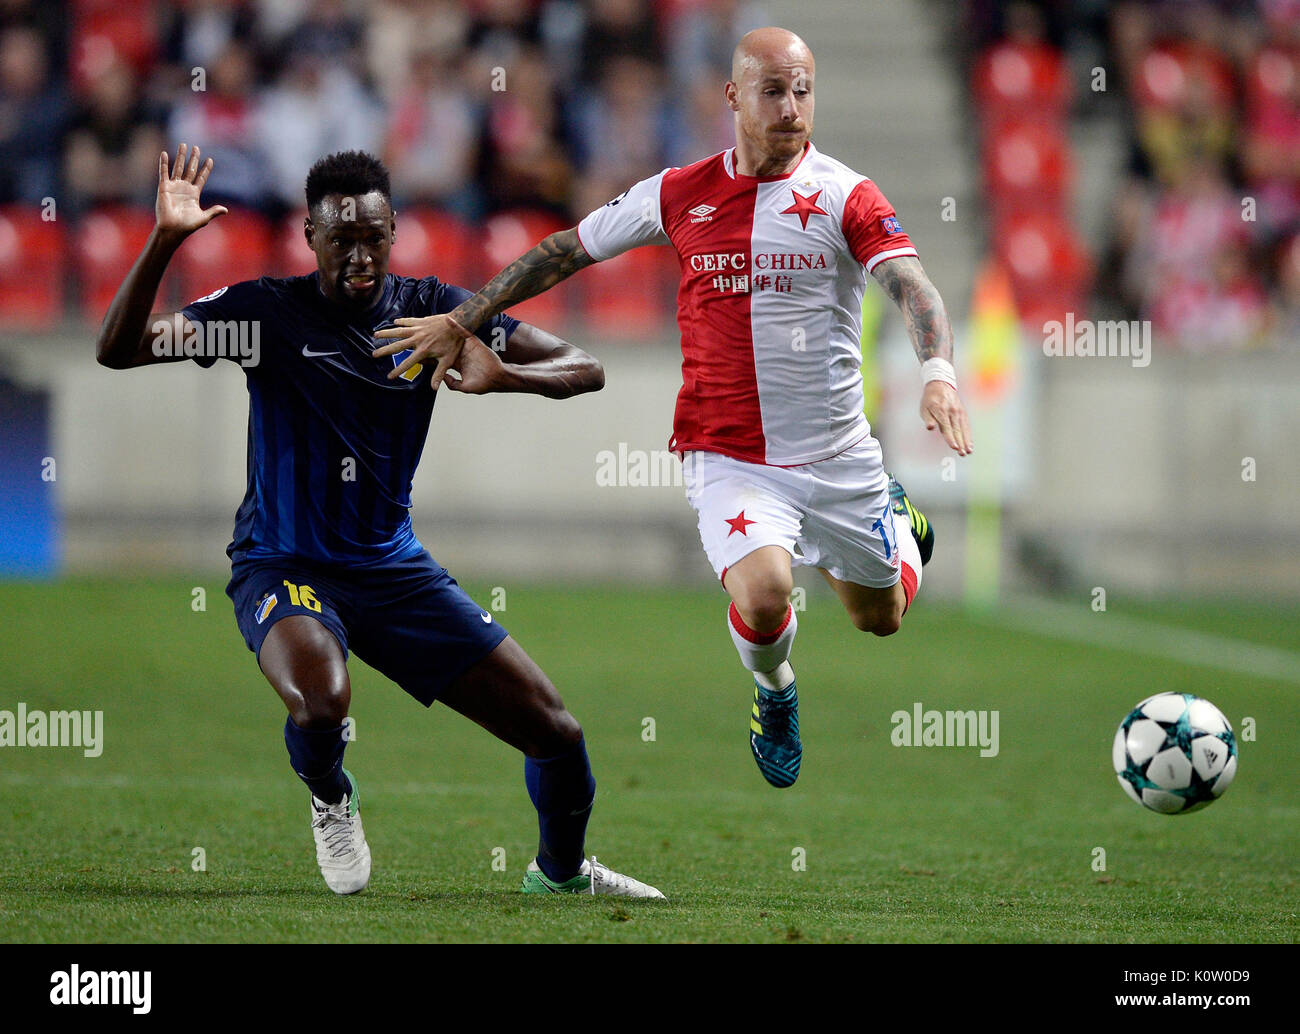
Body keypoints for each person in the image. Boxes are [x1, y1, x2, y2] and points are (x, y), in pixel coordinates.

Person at [374, 28, 974, 790]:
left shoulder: (845, 195)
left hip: (835, 454)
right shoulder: (677, 193)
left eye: (803, 90)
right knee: (764, 595)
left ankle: (896, 519)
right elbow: (564, 250)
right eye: (773, 90)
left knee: (879, 618)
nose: (792, 107)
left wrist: (940, 372)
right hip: (728, 454)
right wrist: (465, 318)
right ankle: (775, 692)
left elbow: (913, 285)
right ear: (733, 95)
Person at [94, 143, 663, 898]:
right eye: (343, 240)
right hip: (284, 562)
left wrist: (507, 377)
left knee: (557, 734)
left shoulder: (439, 312)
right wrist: (165, 239)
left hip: (393, 573)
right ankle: (331, 795)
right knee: (322, 699)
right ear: (310, 238)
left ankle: (560, 875)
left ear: (393, 233)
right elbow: (118, 350)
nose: (361, 255)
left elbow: (584, 365)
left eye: (375, 237)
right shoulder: (262, 316)